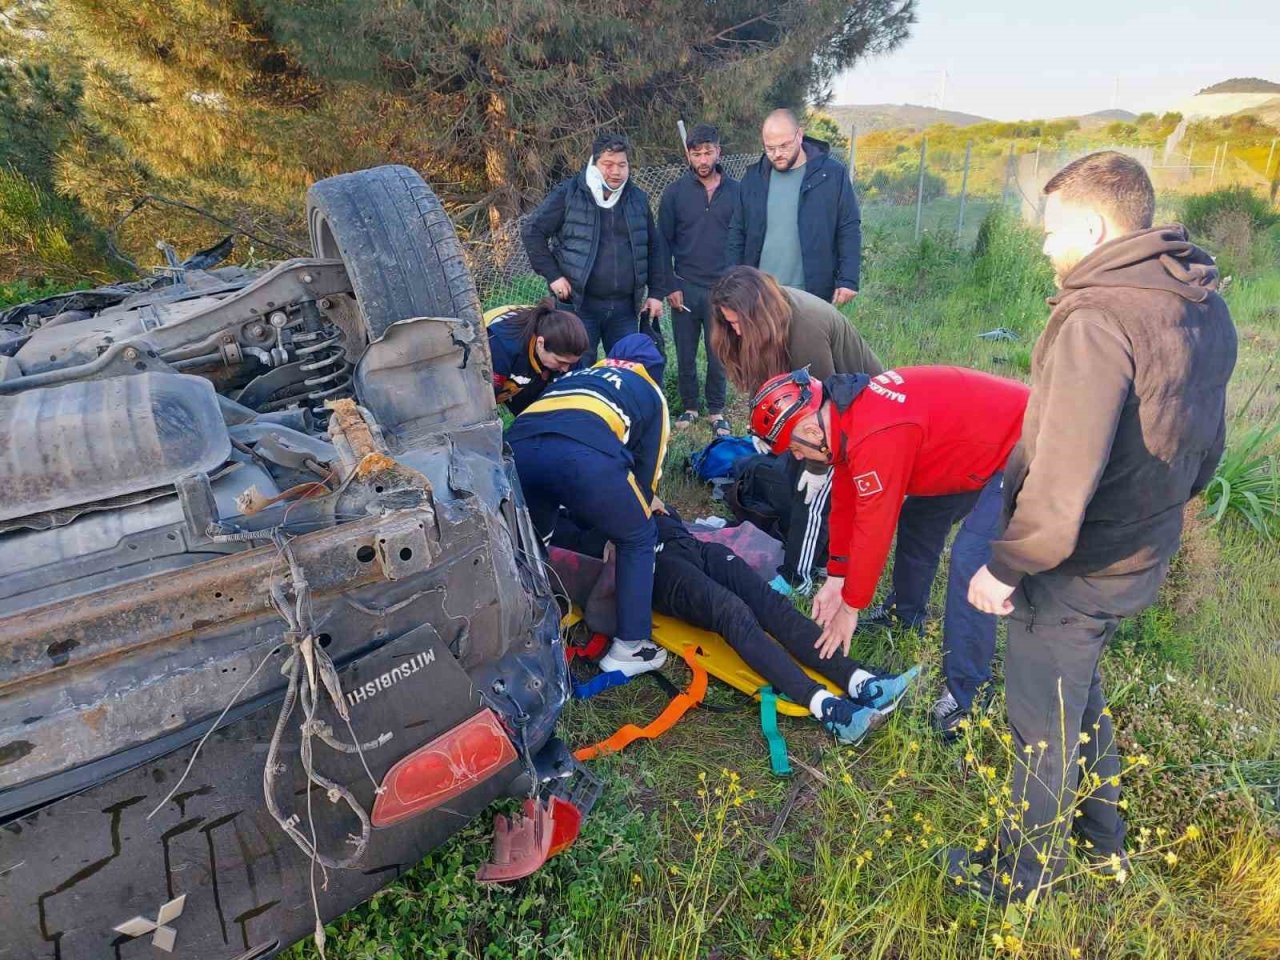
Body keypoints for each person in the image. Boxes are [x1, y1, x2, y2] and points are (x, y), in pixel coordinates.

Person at [954, 151, 1237, 902]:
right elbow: (1208, 442)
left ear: (1091, 224)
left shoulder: (1097, 319)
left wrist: (1005, 564)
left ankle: (1022, 879)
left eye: (1052, 232)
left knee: (1038, 728)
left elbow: (1062, 472)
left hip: (1075, 564)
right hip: (1142, 547)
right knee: (1075, 694)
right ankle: (1103, 839)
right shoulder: (1197, 299)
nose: (1045, 247)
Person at [747, 367, 1029, 734]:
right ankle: (905, 613)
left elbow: (874, 526)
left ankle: (969, 694)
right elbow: (847, 503)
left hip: (1030, 443)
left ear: (813, 430)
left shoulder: (877, 433)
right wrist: (836, 577)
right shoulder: (846, 418)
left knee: (971, 559)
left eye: (796, 449)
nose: (799, 457)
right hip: (981, 448)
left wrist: (851, 606)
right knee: (920, 517)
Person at [556, 506, 919, 745]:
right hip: (659, 567)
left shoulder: (623, 468)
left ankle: (860, 681)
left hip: (691, 546)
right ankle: (828, 709)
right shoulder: (570, 509)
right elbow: (592, 564)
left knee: (768, 602)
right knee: (733, 613)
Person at [709, 265, 883, 593]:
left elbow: (824, 412)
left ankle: (799, 575)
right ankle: (811, 542)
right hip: (818, 407)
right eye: (729, 324)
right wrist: (762, 430)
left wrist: (815, 466)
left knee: (811, 487)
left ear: (756, 313)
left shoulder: (806, 328)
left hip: (858, 410)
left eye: (737, 323)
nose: (737, 332)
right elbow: (767, 383)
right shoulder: (769, 319)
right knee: (783, 474)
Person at [507, 333, 670, 677]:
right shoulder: (650, 391)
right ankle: (632, 647)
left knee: (533, 539)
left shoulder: (579, 374)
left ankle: (528, 626)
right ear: (655, 371)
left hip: (519, 444)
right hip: (582, 454)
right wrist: (632, 513)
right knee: (638, 536)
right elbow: (648, 471)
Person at [522, 132, 671, 360]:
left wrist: (657, 294)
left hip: (625, 310)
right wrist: (553, 276)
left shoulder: (637, 199)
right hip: (579, 307)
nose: (616, 172)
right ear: (594, 163)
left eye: (622, 165)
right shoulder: (569, 194)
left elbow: (653, 247)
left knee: (624, 374)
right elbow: (532, 232)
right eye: (608, 164)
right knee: (576, 372)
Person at [726, 109, 861, 305]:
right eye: (769, 148)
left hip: (812, 293)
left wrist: (848, 279)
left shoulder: (831, 175)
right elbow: (736, 232)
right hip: (761, 294)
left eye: (784, 146)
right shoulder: (753, 179)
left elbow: (848, 226)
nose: (777, 154)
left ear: (799, 135)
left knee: (808, 337)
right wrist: (732, 281)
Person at [657, 122, 739, 436]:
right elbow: (662, 242)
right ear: (688, 155)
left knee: (719, 351)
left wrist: (738, 287)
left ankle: (716, 411)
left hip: (724, 289)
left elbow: (744, 238)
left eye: (708, 152)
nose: (703, 159)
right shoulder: (675, 193)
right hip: (685, 286)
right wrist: (670, 286)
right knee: (686, 350)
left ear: (718, 152)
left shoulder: (736, 192)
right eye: (696, 153)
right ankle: (690, 407)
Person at [485, 300, 590, 414]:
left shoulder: (566, 349)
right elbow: (483, 399)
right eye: (560, 362)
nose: (565, 368)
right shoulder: (501, 347)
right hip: (481, 368)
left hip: (531, 361)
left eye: (570, 363)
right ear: (540, 343)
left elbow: (578, 391)